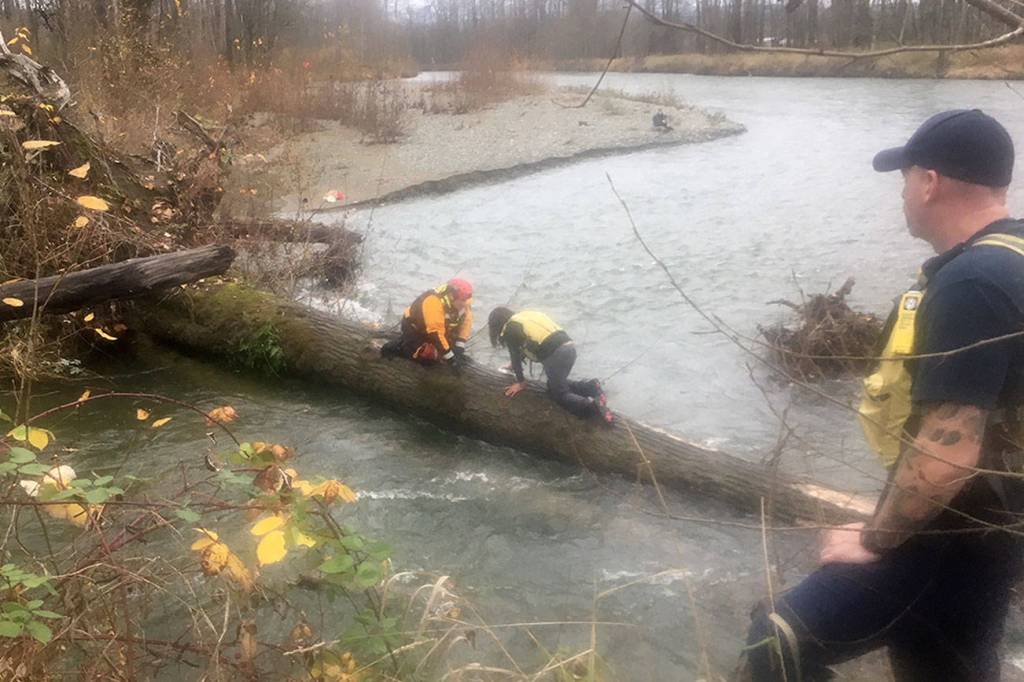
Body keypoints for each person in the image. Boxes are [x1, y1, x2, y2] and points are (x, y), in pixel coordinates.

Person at [738, 110, 1024, 681]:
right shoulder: (1014, 255)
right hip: (999, 530)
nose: (901, 193)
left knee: (779, 642)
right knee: (944, 666)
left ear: (929, 182)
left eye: (904, 177)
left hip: (955, 532)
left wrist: (874, 536)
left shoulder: (972, 284)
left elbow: (947, 455)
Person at [487, 306, 613, 423]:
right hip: (569, 348)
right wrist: (512, 366)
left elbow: (514, 354)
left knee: (559, 394)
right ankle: (591, 387)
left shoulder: (509, 329)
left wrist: (520, 383)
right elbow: (532, 342)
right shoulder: (526, 316)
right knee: (554, 385)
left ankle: (594, 408)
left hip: (556, 355)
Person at [381, 278, 473, 369]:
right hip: (416, 329)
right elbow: (435, 334)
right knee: (427, 358)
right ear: (452, 296)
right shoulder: (433, 302)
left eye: (465, 301)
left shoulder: (465, 302)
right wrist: (451, 360)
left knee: (452, 354)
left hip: (441, 328)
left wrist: (459, 348)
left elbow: (466, 323)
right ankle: (400, 346)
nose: (464, 304)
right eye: (462, 301)